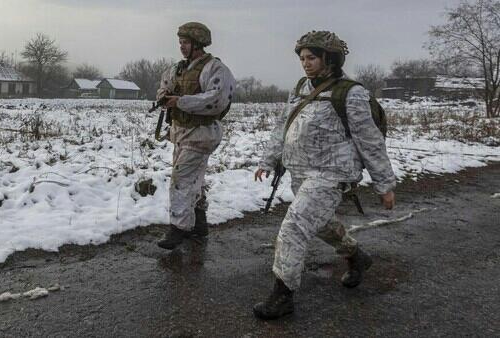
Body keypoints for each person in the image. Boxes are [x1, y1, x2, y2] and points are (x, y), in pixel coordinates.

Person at [252, 31, 396, 320]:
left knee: (294, 227)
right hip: (301, 172)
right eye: (303, 58)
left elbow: (369, 140)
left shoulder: (350, 93)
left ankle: (283, 295)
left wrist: (384, 184)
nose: (305, 63)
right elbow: (284, 125)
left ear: (329, 58)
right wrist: (269, 159)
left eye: (312, 58)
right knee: (320, 224)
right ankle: (357, 256)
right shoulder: (301, 88)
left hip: (332, 174)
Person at [155, 22, 235, 250]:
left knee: (181, 179)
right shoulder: (178, 68)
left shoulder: (215, 69)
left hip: (201, 134)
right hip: (181, 132)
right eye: (180, 42)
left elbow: (216, 100)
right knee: (193, 180)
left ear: (198, 44)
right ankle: (199, 223)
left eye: (186, 42)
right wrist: (164, 96)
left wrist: (180, 101)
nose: (182, 46)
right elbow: (164, 85)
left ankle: (179, 228)